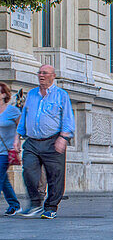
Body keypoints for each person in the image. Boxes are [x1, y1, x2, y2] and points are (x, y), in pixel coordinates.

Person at [16, 64, 75, 219]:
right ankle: (35, 203)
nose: (41, 75)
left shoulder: (61, 95)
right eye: (39, 73)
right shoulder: (32, 94)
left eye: (45, 73)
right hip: (32, 142)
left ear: (53, 76)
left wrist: (63, 138)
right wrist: (18, 136)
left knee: (55, 175)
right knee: (28, 170)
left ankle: (51, 207)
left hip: (53, 141)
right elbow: (24, 117)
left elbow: (68, 118)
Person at [0, 82, 22, 216]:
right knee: (4, 180)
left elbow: (20, 128)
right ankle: (14, 204)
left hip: (5, 151)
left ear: (3, 94)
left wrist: (17, 141)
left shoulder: (12, 111)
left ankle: (14, 204)